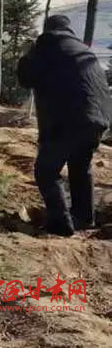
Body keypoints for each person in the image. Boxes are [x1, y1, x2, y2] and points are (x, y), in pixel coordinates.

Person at [18, 14, 112, 237]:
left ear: (47, 29)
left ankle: (60, 224)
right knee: (80, 167)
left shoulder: (46, 45)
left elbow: (26, 78)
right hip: (99, 119)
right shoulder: (83, 50)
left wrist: (26, 55)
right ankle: (84, 218)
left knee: (46, 171)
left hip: (68, 119)